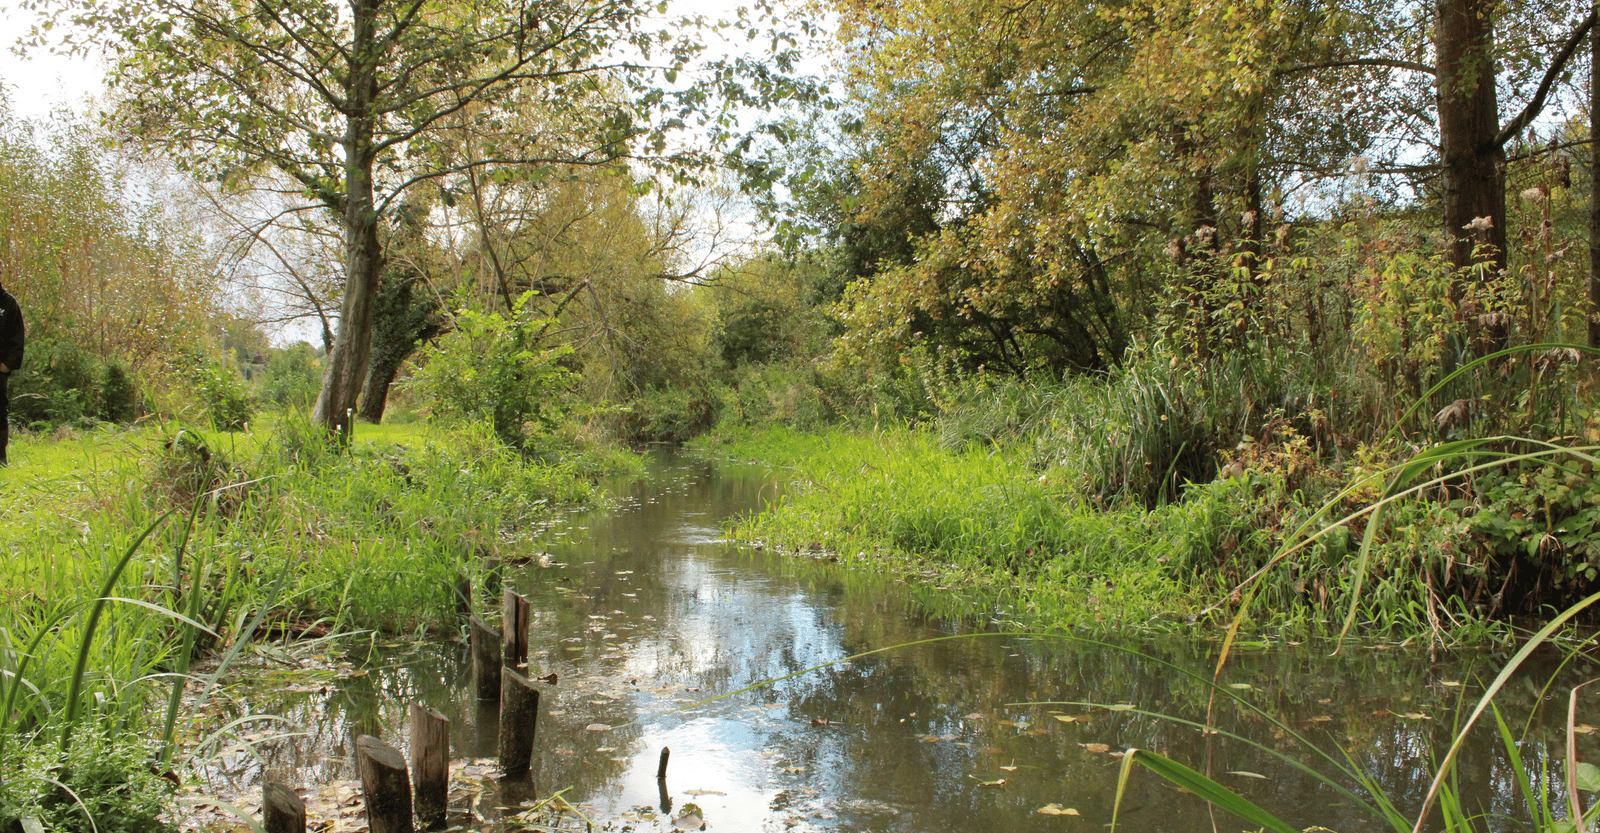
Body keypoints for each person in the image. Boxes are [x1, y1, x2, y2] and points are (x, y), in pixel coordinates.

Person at [0, 282, 23, 466]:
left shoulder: (8, 303)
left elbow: (17, 337)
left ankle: (1, 457)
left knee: (0, 411)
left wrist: (7, 365)